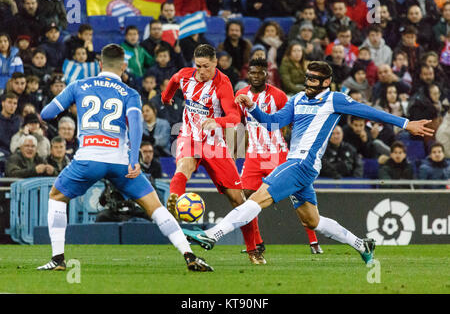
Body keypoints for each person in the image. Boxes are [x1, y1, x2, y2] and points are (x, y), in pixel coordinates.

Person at [182, 61, 433, 265]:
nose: (309, 82)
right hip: (299, 166)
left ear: (326, 82)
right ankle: (361, 244)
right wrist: (253, 108)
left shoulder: (335, 99)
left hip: (302, 163)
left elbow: (370, 112)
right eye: (308, 77)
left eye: (314, 79)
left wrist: (405, 123)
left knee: (256, 199)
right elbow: (274, 123)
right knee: (312, 221)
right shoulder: (298, 99)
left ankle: (211, 235)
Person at [37, 43, 213, 272]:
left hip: (88, 159)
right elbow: (136, 125)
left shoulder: (79, 85)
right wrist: (133, 159)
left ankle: (58, 260)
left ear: (100, 64)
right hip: (121, 163)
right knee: (156, 207)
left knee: (57, 197)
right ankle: (189, 255)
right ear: (123, 66)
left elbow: (46, 113)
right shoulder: (130, 93)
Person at [161, 44, 257, 263]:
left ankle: (253, 249)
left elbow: (234, 118)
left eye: (206, 66)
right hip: (189, 135)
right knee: (184, 165)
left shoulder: (223, 84)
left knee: (239, 200)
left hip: (215, 144)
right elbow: (174, 81)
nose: (201, 71)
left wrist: (217, 121)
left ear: (215, 63)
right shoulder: (186, 75)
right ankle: (174, 197)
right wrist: (166, 97)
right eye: (198, 66)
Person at [236, 57, 323, 258]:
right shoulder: (240, 94)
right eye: (253, 73)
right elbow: (240, 121)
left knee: (296, 195)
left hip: (277, 154)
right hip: (253, 156)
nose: (256, 76)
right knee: (246, 198)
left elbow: (295, 121)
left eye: (260, 73)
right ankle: (257, 244)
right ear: (248, 74)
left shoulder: (279, 96)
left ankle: (313, 241)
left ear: (267, 74)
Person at [0, 92, 20, 157]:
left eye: (15, 103)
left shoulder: (19, 121)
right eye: (9, 102)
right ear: (3, 103)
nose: (12, 106)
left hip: (15, 153)